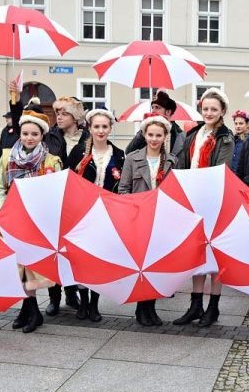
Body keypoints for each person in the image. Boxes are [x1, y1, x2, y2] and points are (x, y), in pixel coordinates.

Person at [0, 109, 62, 333]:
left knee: (32, 266)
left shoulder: (52, 161)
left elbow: (56, 192)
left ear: (42, 135)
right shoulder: (7, 157)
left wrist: (39, 212)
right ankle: (31, 311)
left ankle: (30, 311)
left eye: (34, 134)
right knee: (17, 266)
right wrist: (8, 210)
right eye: (25, 133)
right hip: (11, 219)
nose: (29, 138)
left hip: (37, 221)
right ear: (19, 134)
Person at [174, 88, 234, 327]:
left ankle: (213, 307)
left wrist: (200, 187)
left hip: (214, 201)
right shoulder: (194, 134)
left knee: (215, 256)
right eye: (206, 108)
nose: (209, 113)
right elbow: (183, 163)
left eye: (214, 109)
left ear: (222, 112)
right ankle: (195, 305)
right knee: (196, 254)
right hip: (193, 199)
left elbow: (221, 171)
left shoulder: (225, 137)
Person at [68, 108, 125, 322]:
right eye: (96, 127)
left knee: (99, 261)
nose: (100, 131)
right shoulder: (78, 152)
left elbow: (121, 186)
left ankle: (94, 304)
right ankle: (82, 301)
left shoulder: (119, 154)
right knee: (82, 260)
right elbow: (68, 182)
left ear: (110, 129)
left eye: (104, 127)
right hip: (82, 214)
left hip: (106, 216)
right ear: (89, 128)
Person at [118, 113, 176, 326]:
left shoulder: (171, 161)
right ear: (144, 134)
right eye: (150, 134)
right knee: (140, 264)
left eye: (158, 135)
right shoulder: (133, 158)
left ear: (165, 137)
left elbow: (174, 192)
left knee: (155, 265)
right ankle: (141, 308)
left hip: (160, 220)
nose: (154, 139)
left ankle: (150, 308)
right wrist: (137, 204)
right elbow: (123, 189)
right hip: (138, 218)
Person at [44, 96, 90, 315]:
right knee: (55, 249)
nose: (59, 117)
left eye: (63, 113)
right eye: (57, 113)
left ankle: (74, 293)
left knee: (74, 250)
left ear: (74, 116)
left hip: (79, 201)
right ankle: (54, 296)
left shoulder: (87, 138)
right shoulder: (50, 136)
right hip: (54, 199)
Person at [125, 90, 186, 158]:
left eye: (157, 107)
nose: (153, 111)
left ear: (168, 112)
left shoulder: (182, 137)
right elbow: (129, 152)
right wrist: (143, 131)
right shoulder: (145, 132)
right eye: (152, 107)